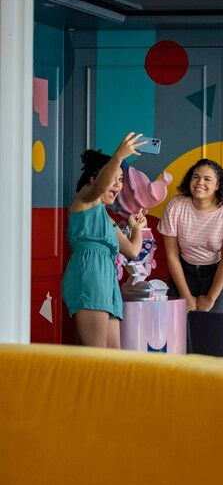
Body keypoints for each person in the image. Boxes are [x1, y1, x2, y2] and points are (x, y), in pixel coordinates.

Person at [63, 132, 149, 348]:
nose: (118, 185)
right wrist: (119, 156)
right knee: (96, 356)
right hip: (89, 277)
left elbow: (131, 251)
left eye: (121, 180)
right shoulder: (84, 199)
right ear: (94, 180)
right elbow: (100, 187)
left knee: (111, 357)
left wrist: (136, 228)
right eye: (114, 178)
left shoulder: (108, 221)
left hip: (107, 283)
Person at [158, 159, 223, 313]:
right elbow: (172, 256)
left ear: (217, 185)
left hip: (218, 272)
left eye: (207, 179)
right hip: (184, 271)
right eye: (196, 177)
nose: (200, 182)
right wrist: (185, 295)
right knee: (181, 326)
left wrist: (211, 298)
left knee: (212, 325)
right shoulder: (175, 206)